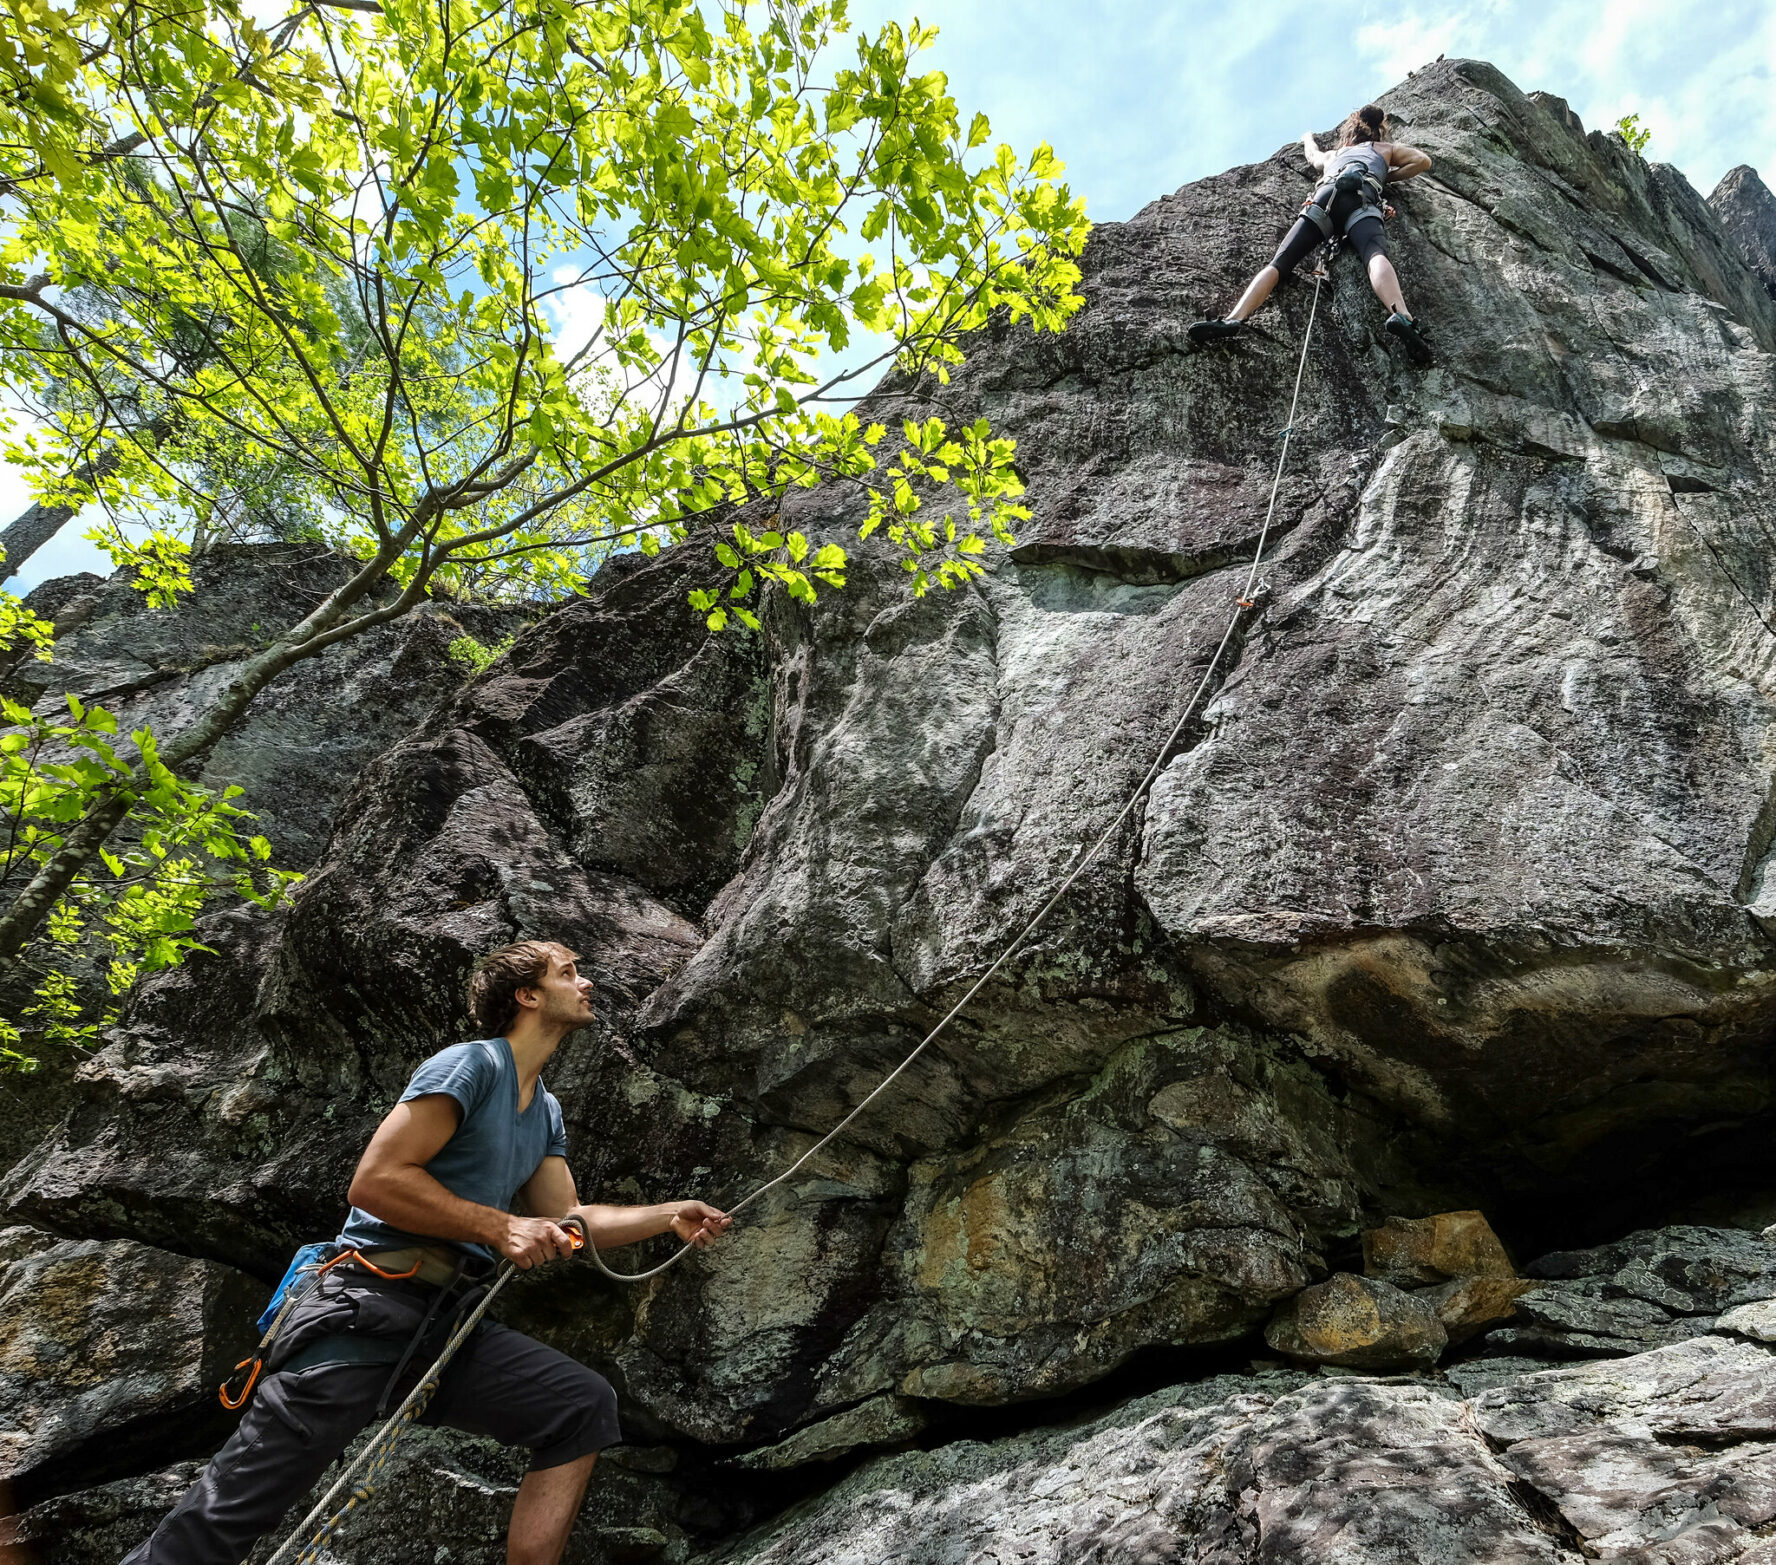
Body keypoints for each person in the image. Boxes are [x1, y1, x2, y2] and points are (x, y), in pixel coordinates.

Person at [123, 939, 731, 1565]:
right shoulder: (470, 1066)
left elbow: (563, 1220)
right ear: (526, 995)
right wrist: (500, 1227)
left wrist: (665, 1216)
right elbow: (377, 1181)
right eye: (569, 974)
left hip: (443, 1325)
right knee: (219, 1525)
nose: (588, 984)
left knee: (580, 1406)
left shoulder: (543, 1108)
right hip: (364, 1306)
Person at [1189, 104, 1435, 363]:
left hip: (1323, 200)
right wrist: (1385, 176)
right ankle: (1402, 315)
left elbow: (1312, 156)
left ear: (1350, 133)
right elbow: (1422, 161)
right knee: (1374, 253)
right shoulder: (1385, 149)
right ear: (1378, 132)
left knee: (1280, 263)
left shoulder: (1333, 154)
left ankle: (1233, 319)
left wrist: (1307, 137)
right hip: (1362, 198)